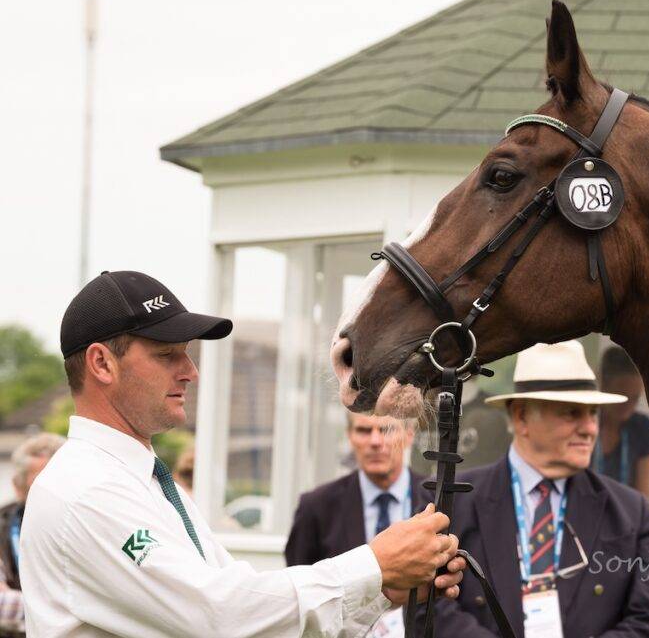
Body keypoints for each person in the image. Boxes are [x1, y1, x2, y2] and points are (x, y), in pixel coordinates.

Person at [21, 270, 465, 637]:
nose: (190, 371)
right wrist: (375, 566)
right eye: (167, 354)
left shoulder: (137, 480)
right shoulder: (86, 491)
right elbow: (220, 617)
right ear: (101, 363)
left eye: (186, 354)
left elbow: (248, 617)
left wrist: (383, 589)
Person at [424, 340, 649, 638]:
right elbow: (429, 608)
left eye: (593, 413)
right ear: (521, 416)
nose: (590, 428)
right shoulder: (454, 502)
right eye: (572, 413)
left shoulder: (631, 513)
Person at [286, 412, 428, 564]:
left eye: (387, 430)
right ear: (349, 435)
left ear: (409, 435)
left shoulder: (435, 500)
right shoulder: (316, 507)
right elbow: (298, 575)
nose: (375, 441)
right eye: (363, 430)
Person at [0, 433, 65, 638]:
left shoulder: (89, 523)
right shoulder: (3, 526)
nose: (55, 489)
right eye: (42, 481)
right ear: (18, 486)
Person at [593, 346, 649, 498]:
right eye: (621, 396)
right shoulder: (584, 422)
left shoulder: (642, 428)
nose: (628, 406)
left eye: (635, 398)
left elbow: (643, 496)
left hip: (626, 511)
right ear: (603, 386)